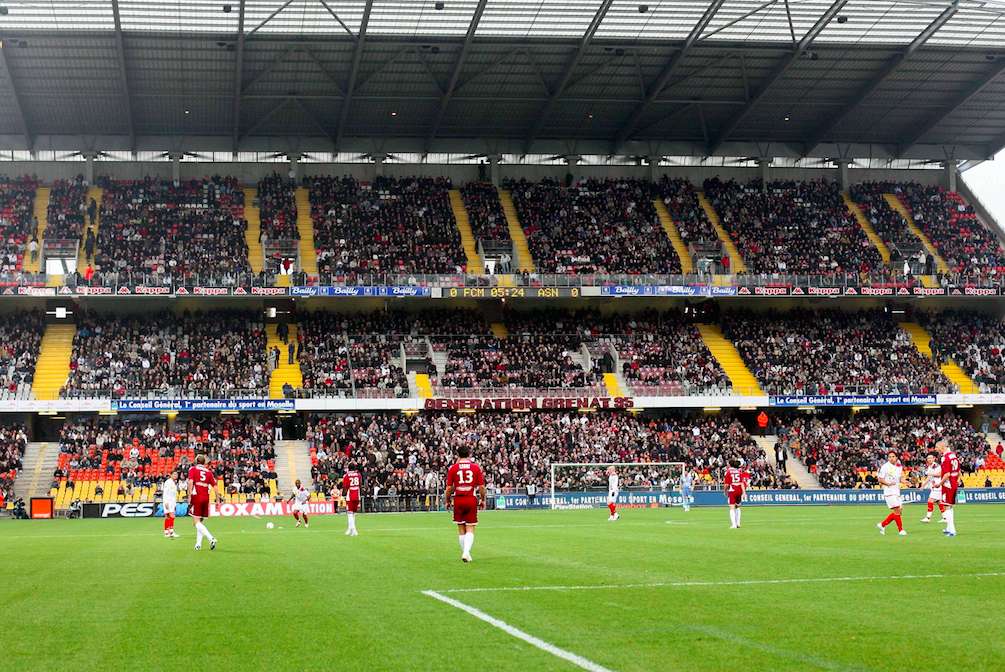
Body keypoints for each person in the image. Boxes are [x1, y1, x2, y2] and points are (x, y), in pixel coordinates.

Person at [444, 445, 486, 563]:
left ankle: (466, 553)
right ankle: (466, 552)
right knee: (470, 527)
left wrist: (447, 501)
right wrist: (483, 500)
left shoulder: (453, 468)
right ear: (469, 454)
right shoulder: (475, 468)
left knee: (461, 528)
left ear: (458, 455)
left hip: (458, 499)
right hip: (470, 498)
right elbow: (482, 487)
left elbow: (448, 488)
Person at [187, 454, 218, 551]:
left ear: (196, 461)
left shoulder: (193, 469)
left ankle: (211, 538)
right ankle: (198, 544)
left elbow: (190, 482)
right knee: (199, 522)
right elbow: (215, 486)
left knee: (196, 522)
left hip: (197, 496)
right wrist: (217, 499)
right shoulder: (209, 472)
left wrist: (189, 496)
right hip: (206, 497)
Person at [876, 450, 906, 536]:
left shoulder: (899, 467)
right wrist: (888, 483)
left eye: (893, 456)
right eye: (889, 457)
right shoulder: (885, 467)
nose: (891, 458)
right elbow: (880, 479)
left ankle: (882, 524)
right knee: (896, 509)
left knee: (899, 511)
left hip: (897, 491)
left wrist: (906, 482)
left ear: (896, 457)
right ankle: (901, 530)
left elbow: (900, 479)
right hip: (889, 491)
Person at [937, 440, 959, 537]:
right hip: (954, 483)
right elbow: (958, 471)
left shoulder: (945, 458)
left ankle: (952, 530)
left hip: (948, 484)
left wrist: (939, 483)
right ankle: (949, 528)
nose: (937, 449)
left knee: (946, 506)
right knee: (948, 506)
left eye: (937, 447)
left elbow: (947, 474)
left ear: (942, 446)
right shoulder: (953, 456)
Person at [920, 452, 946, 524]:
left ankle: (928, 518)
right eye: (928, 458)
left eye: (930, 458)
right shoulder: (930, 466)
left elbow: (940, 474)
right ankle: (945, 517)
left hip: (938, 485)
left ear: (934, 458)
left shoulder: (936, 466)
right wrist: (923, 485)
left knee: (930, 500)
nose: (929, 459)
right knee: (939, 502)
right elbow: (929, 477)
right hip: (935, 486)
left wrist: (931, 474)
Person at [723, 459, 749, 528]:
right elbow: (741, 483)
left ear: (729, 465)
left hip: (732, 489)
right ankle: (738, 523)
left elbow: (726, 484)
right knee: (738, 507)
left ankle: (733, 524)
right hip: (739, 489)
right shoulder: (738, 471)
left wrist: (725, 491)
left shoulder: (728, 472)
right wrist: (744, 492)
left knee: (732, 507)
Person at [342, 464, 362, 536]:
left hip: (350, 495)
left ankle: (354, 530)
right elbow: (360, 484)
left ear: (348, 468)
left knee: (349, 513)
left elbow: (345, 487)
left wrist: (343, 495)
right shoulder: (358, 475)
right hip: (357, 494)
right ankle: (350, 529)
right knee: (353, 513)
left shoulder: (346, 476)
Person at [162, 470, 180, 539]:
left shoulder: (174, 482)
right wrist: (166, 502)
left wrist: (174, 503)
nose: (176, 476)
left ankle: (167, 532)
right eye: (174, 474)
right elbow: (165, 493)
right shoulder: (168, 482)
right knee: (171, 516)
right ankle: (171, 532)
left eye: (176, 474)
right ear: (171, 475)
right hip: (168, 502)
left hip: (172, 502)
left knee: (168, 517)